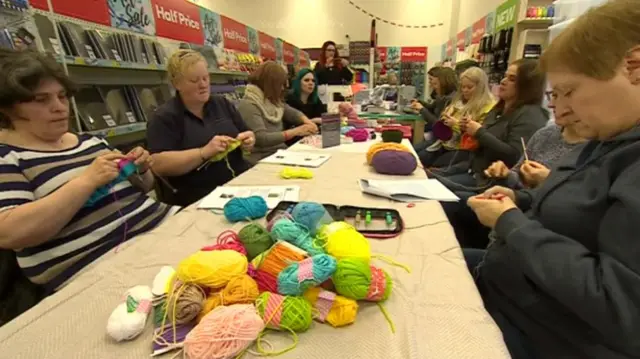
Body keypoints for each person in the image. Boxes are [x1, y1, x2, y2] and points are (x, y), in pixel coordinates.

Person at [464, 1, 640, 358]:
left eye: (570, 91)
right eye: (555, 95)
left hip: (542, 337)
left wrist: (512, 222)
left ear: (634, 66)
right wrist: (522, 201)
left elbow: (621, 307)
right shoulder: (605, 141)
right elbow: (581, 212)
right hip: (510, 296)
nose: (562, 110)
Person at [0, 49, 179, 299]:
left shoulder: (90, 141)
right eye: (41, 100)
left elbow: (144, 187)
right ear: (8, 108)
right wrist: (86, 181)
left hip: (163, 228)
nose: (60, 107)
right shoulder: (7, 157)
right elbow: (8, 232)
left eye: (62, 96)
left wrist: (141, 168)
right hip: (104, 266)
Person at [443, 92, 587, 248]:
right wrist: (505, 173)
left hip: (530, 229)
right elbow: (517, 175)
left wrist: (548, 180)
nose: (551, 104)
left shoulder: (592, 152)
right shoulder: (545, 135)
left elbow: (574, 203)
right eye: (551, 95)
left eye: (558, 96)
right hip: (513, 208)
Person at [147, 50, 255, 207]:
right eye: (194, 80)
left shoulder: (222, 104)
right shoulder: (164, 117)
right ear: (177, 84)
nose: (203, 84)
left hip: (238, 186)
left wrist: (248, 140)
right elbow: (157, 164)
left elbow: (246, 132)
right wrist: (203, 152)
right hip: (197, 199)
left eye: (205, 78)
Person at [434, 59, 548, 188]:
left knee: (434, 188)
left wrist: (479, 132)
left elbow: (515, 156)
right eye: (505, 76)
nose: (503, 81)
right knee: (428, 178)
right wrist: (466, 128)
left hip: (490, 182)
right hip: (473, 170)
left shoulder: (530, 115)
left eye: (512, 79)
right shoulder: (499, 109)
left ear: (527, 85)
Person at [238, 61, 318, 164]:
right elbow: (261, 139)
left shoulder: (271, 99)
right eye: (280, 85)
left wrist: (308, 122)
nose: (282, 88)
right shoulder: (249, 105)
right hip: (261, 159)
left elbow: (290, 112)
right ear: (270, 84)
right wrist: (296, 131)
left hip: (278, 153)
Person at [417, 67, 495, 168]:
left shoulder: (488, 108)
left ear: (480, 87)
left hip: (464, 152)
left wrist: (455, 124)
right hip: (445, 144)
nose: (465, 90)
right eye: (463, 87)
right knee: (417, 158)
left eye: (469, 87)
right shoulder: (459, 101)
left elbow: (480, 137)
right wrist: (444, 119)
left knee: (431, 167)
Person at [411, 66, 458, 151]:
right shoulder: (442, 97)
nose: (432, 85)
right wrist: (420, 103)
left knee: (414, 150)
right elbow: (432, 108)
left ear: (444, 83)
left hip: (440, 140)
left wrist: (422, 109)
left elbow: (437, 124)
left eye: (435, 83)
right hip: (436, 137)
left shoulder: (449, 100)